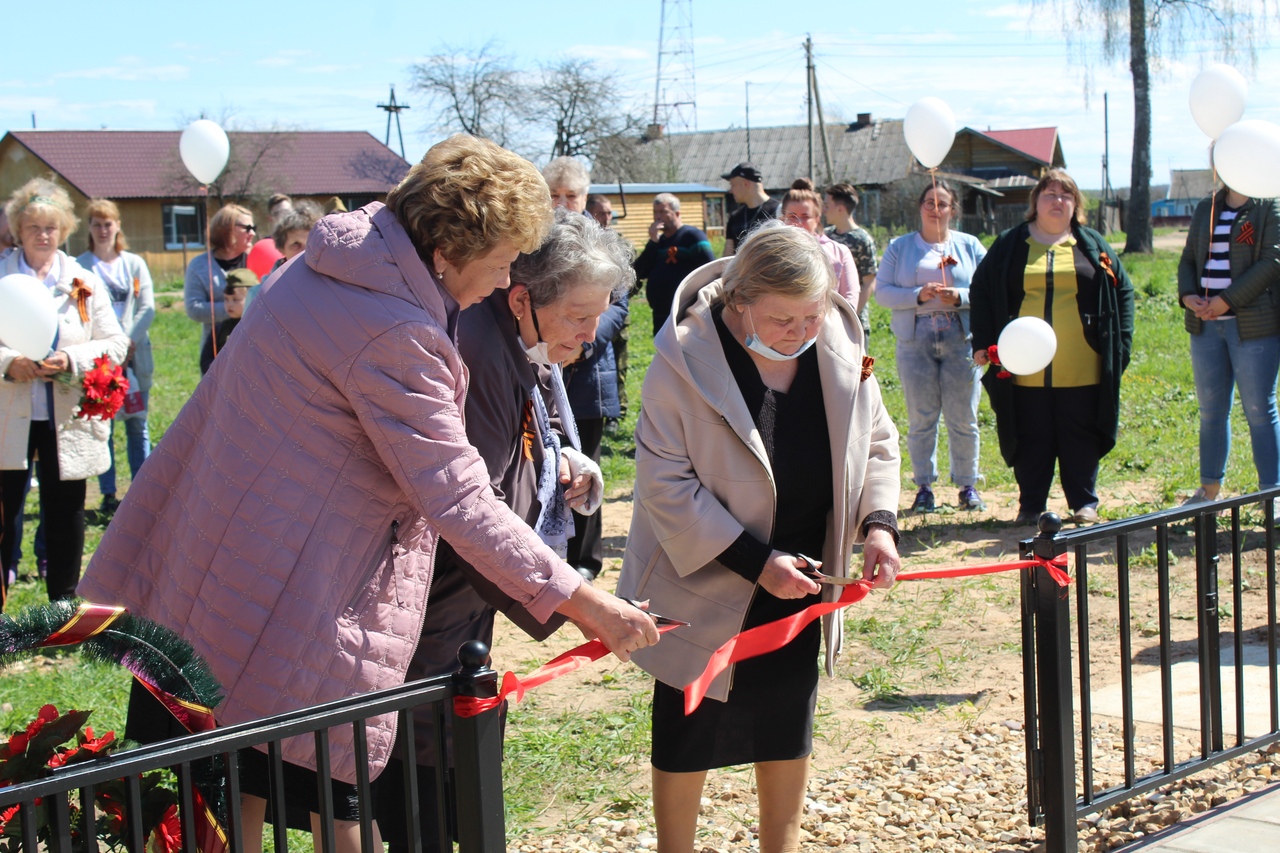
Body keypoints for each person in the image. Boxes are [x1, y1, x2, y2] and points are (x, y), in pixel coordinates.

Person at [77, 135, 658, 852]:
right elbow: (459, 497)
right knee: (305, 805)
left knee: (234, 795)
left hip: (219, 570)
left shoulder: (326, 271)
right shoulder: (394, 329)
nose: (511, 276)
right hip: (286, 599)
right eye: (505, 257)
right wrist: (586, 600)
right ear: (450, 247)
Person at [618, 221, 902, 853]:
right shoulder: (682, 356)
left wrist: (878, 526)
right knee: (689, 722)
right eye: (783, 321)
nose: (802, 333)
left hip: (800, 575)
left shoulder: (835, 340)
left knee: (784, 721)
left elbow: (877, 441)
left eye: (813, 315)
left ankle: (783, 844)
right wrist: (754, 560)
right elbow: (665, 484)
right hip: (704, 576)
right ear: (739, 300)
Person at [375, 207, 635, 852]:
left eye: (599, 313)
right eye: (578, 315)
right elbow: (470, 511)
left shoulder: (516, 336)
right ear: (522, 297)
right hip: (432, 613)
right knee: (427, 793)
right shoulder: (482, 351)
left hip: (465, 609)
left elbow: (527, 441)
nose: (591, 333)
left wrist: (564, 463)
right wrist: (579, 604)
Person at [970, 169, 1135, 525]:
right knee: (1031, 435)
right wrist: (983, 342)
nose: (1057, 201)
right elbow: (981, 290)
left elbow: (1123, 290)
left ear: (1076, 205)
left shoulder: (1091, 244)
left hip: (1082, 363)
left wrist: (1121, 344)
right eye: (1049, 194)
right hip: (1022, 366)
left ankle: (1084, 503)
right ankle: (1031, 505)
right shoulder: (1010, 244)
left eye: (1066, 195)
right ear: (1036, 203)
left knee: (1081, 435)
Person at [1, 179, 128, 605]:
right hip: (9, 414)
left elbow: (115, 342)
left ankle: (63, 604)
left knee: (66, 510)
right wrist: (8, 364)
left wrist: (71, 360)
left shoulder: (82, 281)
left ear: (64, 230)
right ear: (18, 229)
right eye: (33, 225)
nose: (42, 234)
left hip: (65, 416)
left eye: (51, 227)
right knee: (5, 512)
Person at [875, 180, 988, 514]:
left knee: (963, 416)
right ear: (920, 207)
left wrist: (961, 297)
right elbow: (883, 293)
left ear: (953, 209)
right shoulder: (900, 247)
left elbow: (990, 289)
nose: (935, 209)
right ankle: (924, 486)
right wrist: (917, 295)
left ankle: (968, 485)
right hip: (915, 339)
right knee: (921, 416)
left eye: (942, 203)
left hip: (961, 338)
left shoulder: (970, 246)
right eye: (929, 202)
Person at [543, 161, 628, 582]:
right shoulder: (537, 244)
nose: (562, 203)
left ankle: (586, 560)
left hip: (588, 377)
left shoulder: (605, 244)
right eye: (554, 194)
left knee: (587, 464)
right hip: (545, 371)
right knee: (549, 465)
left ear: (585, 196)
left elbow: (619, 307)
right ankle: (551, 555)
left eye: (570, 195)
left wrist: (583, 343)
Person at [1176, 184, 1280, 504]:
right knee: (1211, 411)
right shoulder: (1207, 206)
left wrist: (1227, 301)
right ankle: (1209, 492)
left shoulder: (1269, 204)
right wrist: (1187, 294)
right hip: (1206, 326)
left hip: (1253, 327)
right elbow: (1188, 260)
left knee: (1259, 410)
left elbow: (1272, 261)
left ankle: (1272, 495)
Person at [75, 199, 156, 523]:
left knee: (138, 424)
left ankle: (142, 491)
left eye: (108, 223)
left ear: (118, 226)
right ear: (89, 228)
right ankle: (108, 493)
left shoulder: (134, 264)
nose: (103, 230)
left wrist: (128, 342)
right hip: (101, 360)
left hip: (135, 357)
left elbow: (147, 306)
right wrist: (108, 348)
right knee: (103, 425)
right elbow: (80, 311)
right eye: (96, 224)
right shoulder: (80, 266)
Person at [633, 193, 715, 335]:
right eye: (655, 212)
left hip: (685, 312)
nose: (658, 217)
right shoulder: (659, 242)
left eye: (663, 212)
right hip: (660, 313)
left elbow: (711, 269)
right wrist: (653, 242)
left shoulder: (692, 236)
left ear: (677, 213)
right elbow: (640, 271)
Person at [183, 203, 255, 355]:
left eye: (254, 228)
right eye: (247, 228)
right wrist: (232, 308)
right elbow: (194, 308)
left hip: (255, 349)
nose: (253, 233)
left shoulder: (256, 260)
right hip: (217, 351)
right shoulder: (199, 266)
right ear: (226, 230)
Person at [779, 179, 860, 309]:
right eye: (792, 216)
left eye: (805, 216)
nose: (798, 222)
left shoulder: (839, 252)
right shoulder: (773, 252)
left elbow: (850, 298)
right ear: (783, 218)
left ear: (817, 219)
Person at [823, 182, 879, 339]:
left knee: (865, 363)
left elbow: (869, 282)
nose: (824, 210)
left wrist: (850, 314)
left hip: (857, 321)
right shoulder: (826, 236)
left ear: (840, 208)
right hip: (828, 320)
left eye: (827, 205)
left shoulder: (862, 239)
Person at [199, 269, 258, 374]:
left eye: (235, 300)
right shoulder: (220, 328)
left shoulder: (259, 328)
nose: (229, 304)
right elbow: (206, 360)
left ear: (252, 297)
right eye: (226, 299)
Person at [722, 162, 780, 256]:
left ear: (745, 183)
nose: (731, 190)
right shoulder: (735, 217)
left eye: (733, 185)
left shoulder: (779, 211)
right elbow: (726, 259)